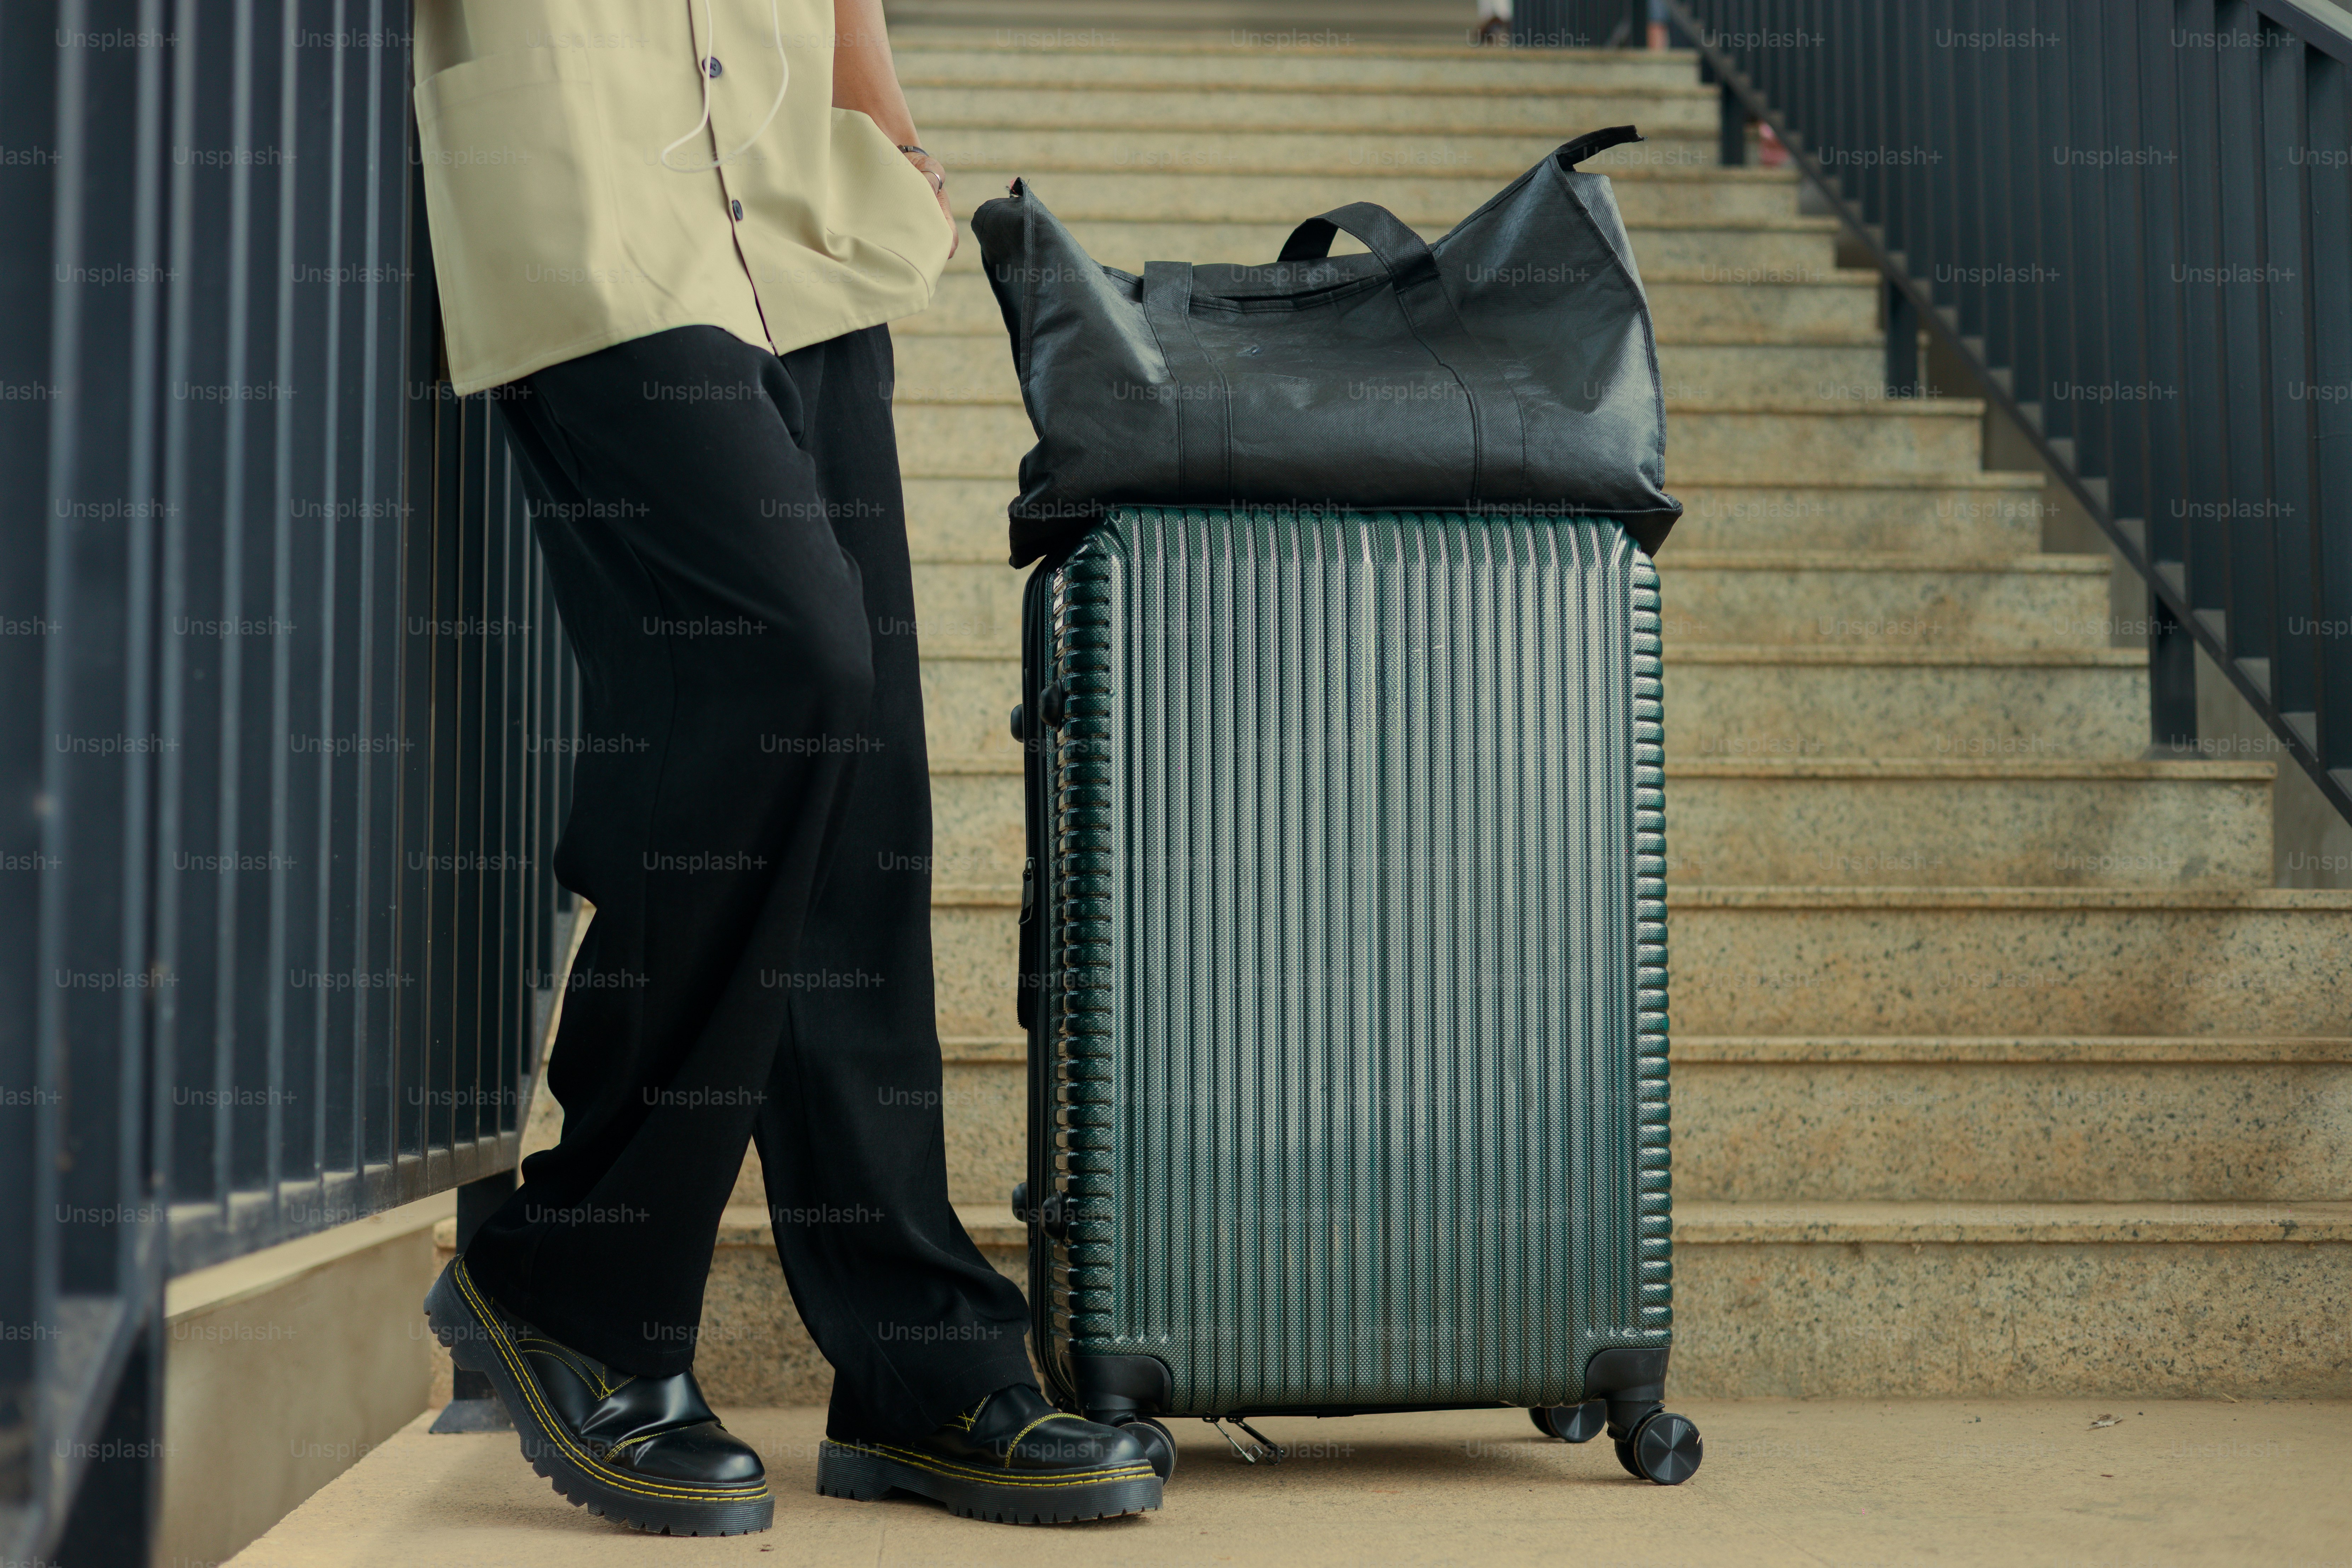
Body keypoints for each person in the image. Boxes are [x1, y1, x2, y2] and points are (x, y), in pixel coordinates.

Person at [409, 0, 1164, 1536]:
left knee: (860, 759)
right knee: (784, 662)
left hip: (786, 184)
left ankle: (910, 1349)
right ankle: (580, 1279)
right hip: (586, 164)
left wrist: (874, 105)